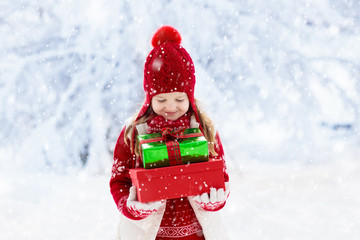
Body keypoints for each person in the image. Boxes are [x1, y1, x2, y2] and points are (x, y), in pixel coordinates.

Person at [109, 25, 230, 240]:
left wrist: (215, 200)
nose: (171, 107)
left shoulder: (204, 130)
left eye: (179, 99)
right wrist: (131, 206)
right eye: (162, 100)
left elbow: (220, 175)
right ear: (149, 98)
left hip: (197, 234)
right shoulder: (133, 133)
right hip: (147, 233)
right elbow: (119, 181)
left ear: (190, 96)